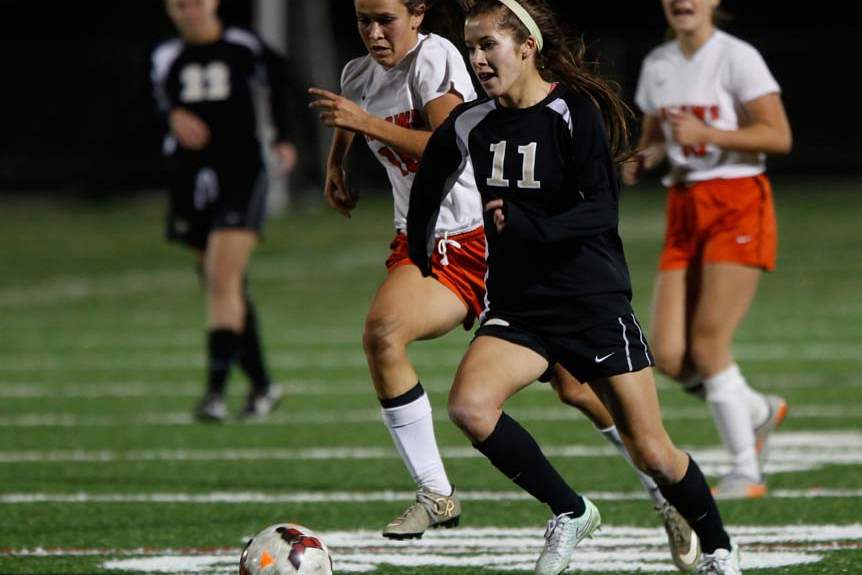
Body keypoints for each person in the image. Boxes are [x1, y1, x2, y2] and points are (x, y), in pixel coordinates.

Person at [311, 3, 698, 565]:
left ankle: (662, 492)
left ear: (417, 15)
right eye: (362, 19)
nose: (373, 31)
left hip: (474, 238)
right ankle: (442, 492)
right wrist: (336, 164)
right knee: (396, 339)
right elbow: (355, 115)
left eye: (385, 18)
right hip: (428, 238)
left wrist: (361, 123)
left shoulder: (435, 58)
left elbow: (442, 143)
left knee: (571, 386)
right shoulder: (357, 75)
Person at [407, 0, 740, 573]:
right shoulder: (470, 121)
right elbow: (429, 184)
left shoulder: (571, 110)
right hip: (521, 307)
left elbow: (601, 212)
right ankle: (571, 510)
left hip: (592, 303)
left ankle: (719, 550)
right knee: (470, 406)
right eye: (470, 47)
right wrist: (421, 255)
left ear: (526, 48)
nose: (477, 59)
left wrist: (531, 226)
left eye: (488, 45)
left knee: (654, 454)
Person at [623, 0, 792, 500]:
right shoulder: (658, 64)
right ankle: (756, 411)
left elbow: (778, 135)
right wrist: (639, 159)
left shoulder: (737, 57)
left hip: (736, 200)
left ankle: (746, 471)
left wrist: (709, 133)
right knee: (670, 355)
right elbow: (657, 140)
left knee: (708, 345)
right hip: (685, 203)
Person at [151, 0, 297, 421]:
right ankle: (263, 386)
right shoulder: (164, 55)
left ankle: (214, 394)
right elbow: (147, 105)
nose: (189, 10)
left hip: (241, 173)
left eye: (195, 1)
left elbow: (284, 85)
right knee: (222, 282)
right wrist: (172, 116)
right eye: (180, 4)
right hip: (190, 178)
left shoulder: (243, 46)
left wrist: (285, 138)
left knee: (221, 276)